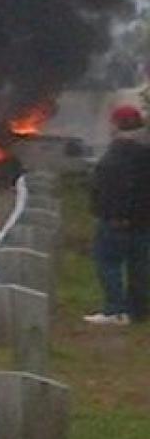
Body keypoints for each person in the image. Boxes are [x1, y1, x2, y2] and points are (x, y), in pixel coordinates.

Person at [85, 104, 150, 325]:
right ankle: (138, 311)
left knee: (108, 263)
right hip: (143, 221)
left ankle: (115, 310)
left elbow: (106, 187)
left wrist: (103, 212)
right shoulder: (145, 151)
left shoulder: (117, 153)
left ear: (116, 125)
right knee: (139, 266)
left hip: (115, 221)